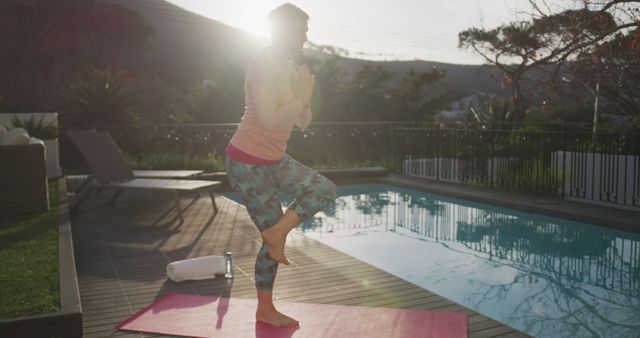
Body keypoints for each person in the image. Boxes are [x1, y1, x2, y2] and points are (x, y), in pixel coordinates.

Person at [224, 3, 337, 328]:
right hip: (246, 162)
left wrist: (305, 98)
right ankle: (265, 308)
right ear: (284, 30)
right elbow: (271, 119)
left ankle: (276, 232)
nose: (305, 37)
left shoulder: (288, 66)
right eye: (301, 30)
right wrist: (299, 99)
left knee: (324, 189)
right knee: (272, 241)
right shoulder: (262, 65)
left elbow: (302, 122)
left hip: (272, 160)